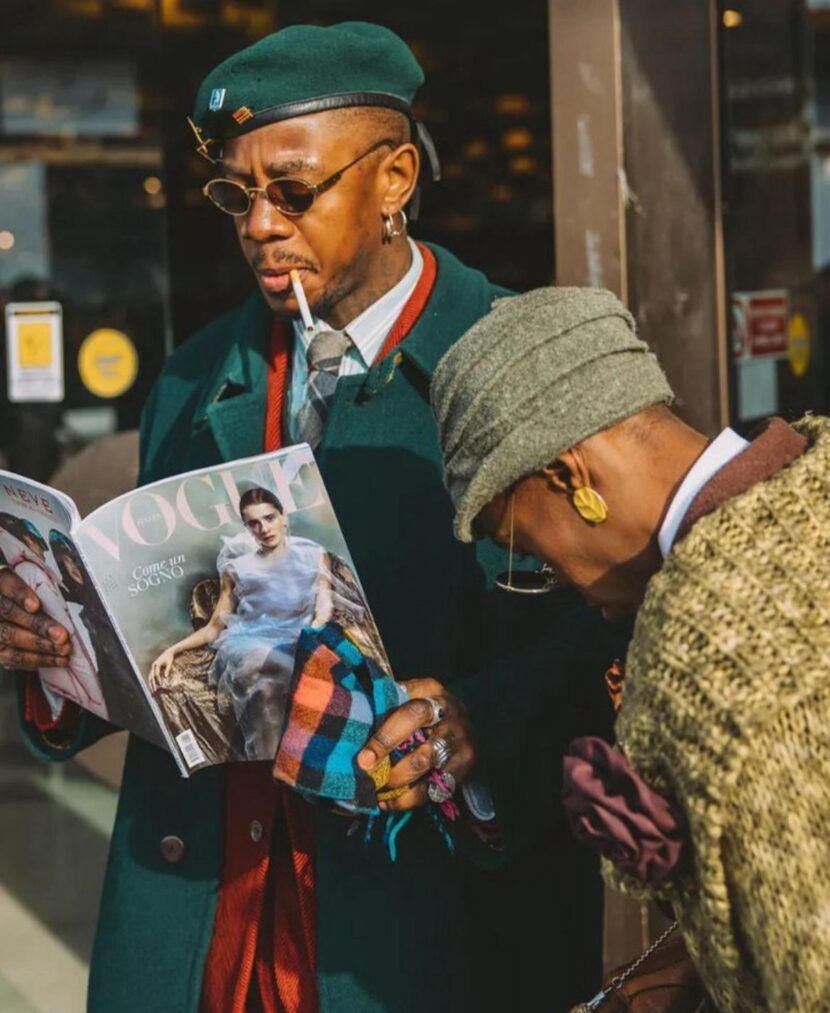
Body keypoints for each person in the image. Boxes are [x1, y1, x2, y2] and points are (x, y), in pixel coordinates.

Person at [1, 24, 626, 1013]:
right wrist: (58, 646)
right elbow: (163, 635)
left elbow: (615, 629)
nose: (259, 223)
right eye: (235, 195)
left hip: (420, 932)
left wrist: (479, 722)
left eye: (292, 191)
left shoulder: (522, 360)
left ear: (394, 178)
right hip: (206, 919)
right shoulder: (192, 373)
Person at [430, 285, 830, 1012]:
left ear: (570, 475)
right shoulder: (816, 473)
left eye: (525, 546)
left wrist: (686, 877)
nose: (552, 577)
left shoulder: (699, 632)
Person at [150, 486, 337, 759]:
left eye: (270, 518)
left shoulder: (314, 554)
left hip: (300, 636)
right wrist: (172, 650)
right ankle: (277, 764)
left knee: (268, 688)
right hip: (250, 642)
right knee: (259, 665)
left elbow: (324, 607)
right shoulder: (237, 569)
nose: (264, 528)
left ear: (284, 517)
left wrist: (311, 636)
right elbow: (214, 627)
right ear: (248, 528)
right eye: (254, 523)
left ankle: (284, 764)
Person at [0, 514, 104, 716]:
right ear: (30, 540)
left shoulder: (31, 570)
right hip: (63, 668)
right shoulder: (35, 572)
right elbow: (67, 634)